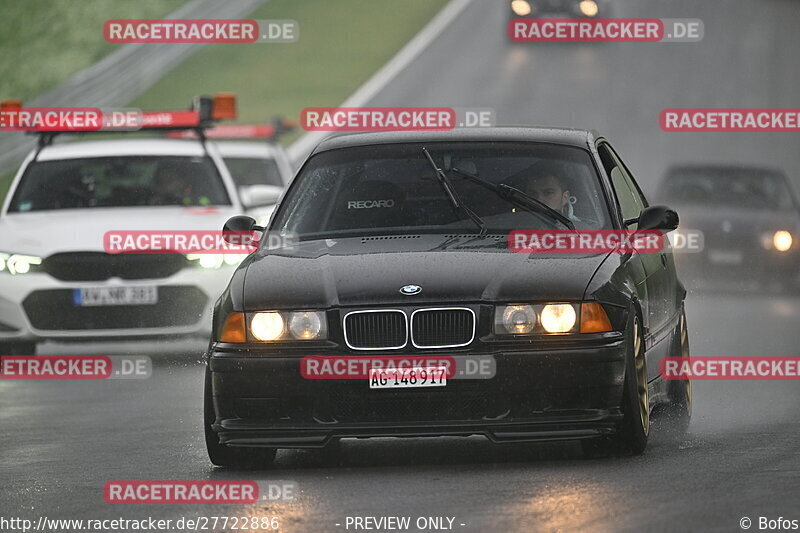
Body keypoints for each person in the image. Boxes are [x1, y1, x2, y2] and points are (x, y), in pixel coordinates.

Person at [505, 160, 581, 224]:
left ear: (565, 197)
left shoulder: (583, 232)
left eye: (548, 193)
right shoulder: (506, 225)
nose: (538, 199)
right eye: (532, 193)